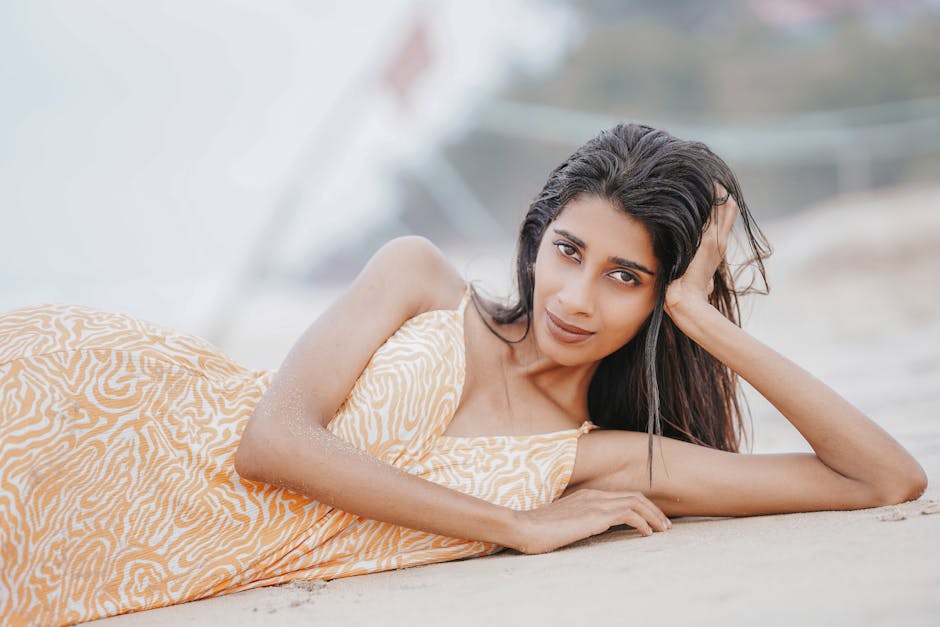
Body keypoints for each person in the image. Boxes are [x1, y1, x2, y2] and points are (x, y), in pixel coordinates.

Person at [0, 123, 926, 626]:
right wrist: (512, 525)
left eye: (626, 277)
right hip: (90, 401)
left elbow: (880, 478)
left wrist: (700, 316)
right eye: (568, 250)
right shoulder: (418, 277)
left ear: (654, 301)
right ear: (537, 234)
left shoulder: (603, 459)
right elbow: (271, 441)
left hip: (131, 541)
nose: (574, 295)